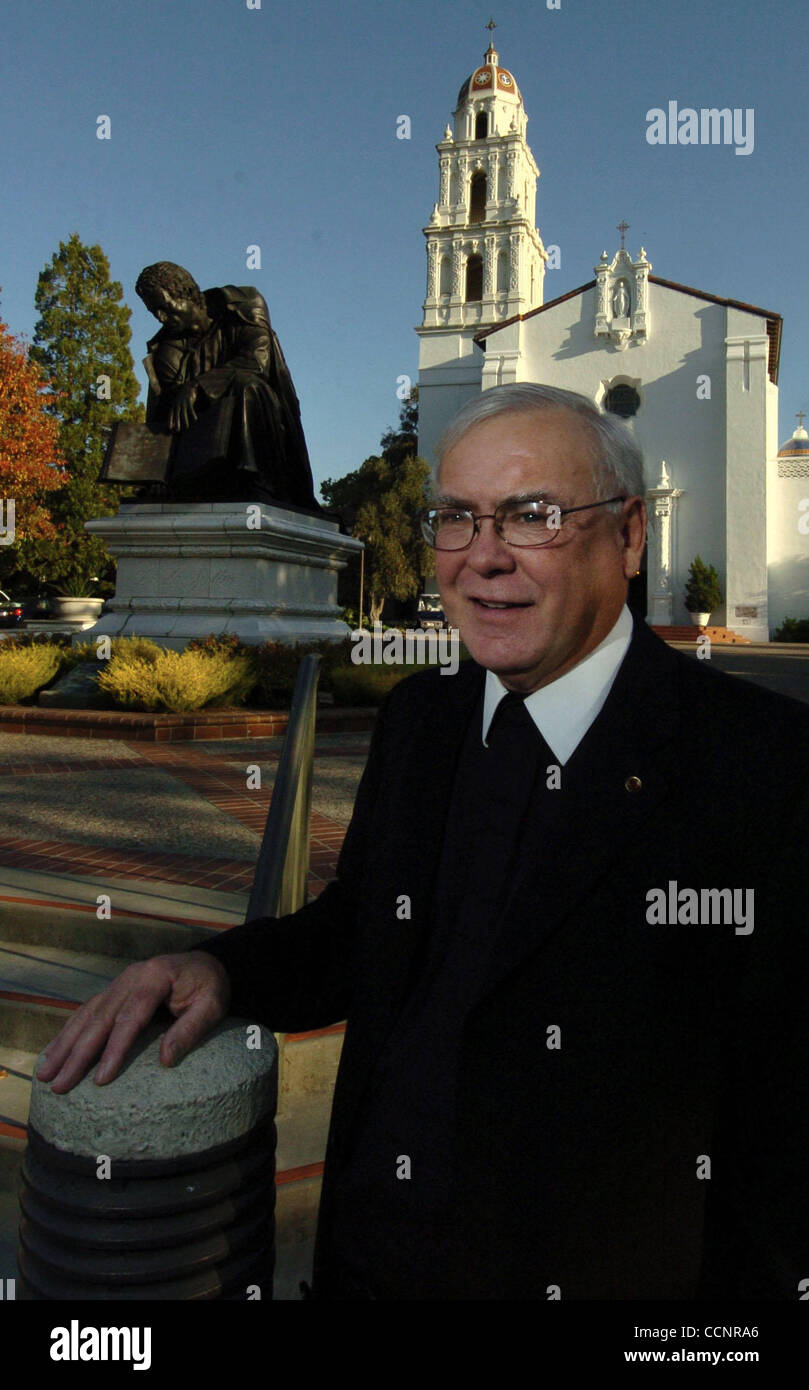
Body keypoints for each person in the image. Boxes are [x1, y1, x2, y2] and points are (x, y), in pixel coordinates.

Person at [37, 383, 809, 1300]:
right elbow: (362, 929)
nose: (482, 559)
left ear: (630, 535)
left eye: (531, 516)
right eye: (456, 518)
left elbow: (784, 1140)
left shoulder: (766, 766)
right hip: (375, 1265)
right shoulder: (421, 719)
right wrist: (222, 971)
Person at [134, 261, 320, 509]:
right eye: (154, 312)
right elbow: (166, 413)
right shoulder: (168, 351)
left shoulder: (243, 306)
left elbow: (257, 361)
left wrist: (198, 386)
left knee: (247, 385)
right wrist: (156, 475)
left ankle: (253, 478)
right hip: (197, 452)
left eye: (165, 308)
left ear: (189, 295)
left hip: (263, 425)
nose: (161, 318)